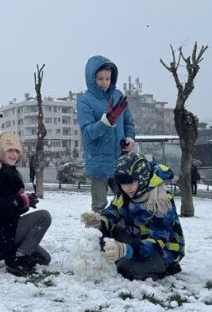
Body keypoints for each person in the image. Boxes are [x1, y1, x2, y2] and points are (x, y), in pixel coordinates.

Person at [81, 153, 185, 281]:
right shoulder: (124, 194)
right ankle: (124, 256)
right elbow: (111, 215)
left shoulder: (159, 200)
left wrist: (127, 250)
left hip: (161, 250)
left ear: (142, 179)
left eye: (130, 182)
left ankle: (164, 268)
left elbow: (157, 241)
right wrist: (98, 222)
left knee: (126, 269)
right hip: (135, 240)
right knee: (100, 237)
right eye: (123, 183)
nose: (126, 188)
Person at [0, 131, 52, 276]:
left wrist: (25, 203)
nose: (14, 154)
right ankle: (16, 258)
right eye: (9, 150)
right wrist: (18, 201)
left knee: (44, 258)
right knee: (44, 216)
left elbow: (10, 210)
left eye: (16, 150)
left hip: (7, 228)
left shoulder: (8, 173)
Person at [77, 55, 136, 213]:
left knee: (126, 203)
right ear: (91, 78)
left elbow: (128, 121)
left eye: (108, 78)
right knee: (99, 206)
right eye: (100, 79)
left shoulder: (117, 96)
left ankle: (121, 235)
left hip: (119, 161)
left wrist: (129, 139)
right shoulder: (85, 101)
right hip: (98, 162)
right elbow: (88, 133)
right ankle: (96, 236)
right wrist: (106, 122)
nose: (104, 83)